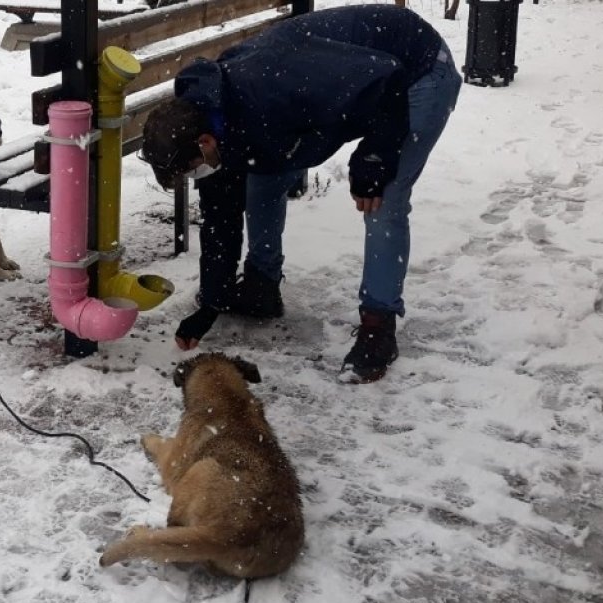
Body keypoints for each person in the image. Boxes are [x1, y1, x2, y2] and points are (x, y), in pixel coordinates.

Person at [139, 4, 462, 383]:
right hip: (358, 81)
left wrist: (374, 157)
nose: (198, 175)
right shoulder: (213, 122)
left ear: (205, 142)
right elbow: (220, 221)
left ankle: (379, 324)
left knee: (382, 199)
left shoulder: (271, 88)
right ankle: (261, 287)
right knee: (263, 178)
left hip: (414, 69)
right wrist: (212, 303)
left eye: (192, 168)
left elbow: (387, 80)